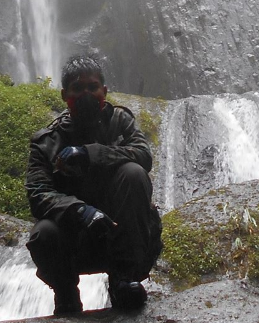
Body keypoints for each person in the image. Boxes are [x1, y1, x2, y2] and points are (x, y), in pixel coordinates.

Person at [25, 55, 163, 315]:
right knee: (43, 232)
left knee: (133, 173)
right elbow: (38, 193)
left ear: (104, 91)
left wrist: (91, 153)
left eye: (92, 87)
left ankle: (123, 280)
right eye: (78, 89)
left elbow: (143, 156)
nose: (86, 94)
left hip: (121, 233)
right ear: (65, 94)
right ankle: (66, 293)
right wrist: (80, 211)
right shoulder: (47, 141)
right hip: (74, 238)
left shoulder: (120, 122)